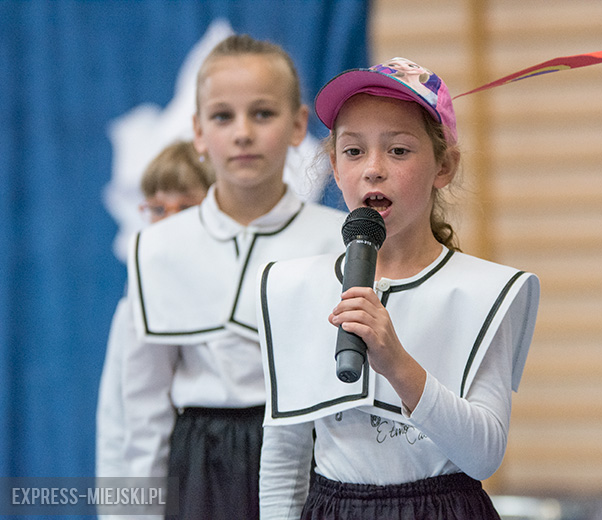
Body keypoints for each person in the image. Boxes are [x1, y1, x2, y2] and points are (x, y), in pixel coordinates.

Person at [257, 58, 541, 519]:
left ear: (443, 166)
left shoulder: (484, 292)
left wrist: (398, 364)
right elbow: (284, 457)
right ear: (333, 164)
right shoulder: (294, 287)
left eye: (399, 151)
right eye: (353, 151)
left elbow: (485, 454)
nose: (373, 169)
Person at [119, 35, 346, 519]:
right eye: (223, 116)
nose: (243, 132)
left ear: (297, 125)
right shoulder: (157, 248)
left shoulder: (338, 242)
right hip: (197, 465)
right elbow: (142, 413)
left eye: (263, 114)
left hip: (313, 458)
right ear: (198, 132)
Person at [96, 140, 214, 483]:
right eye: (158, 209)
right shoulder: (136, 301)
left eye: (186, 207)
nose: (169, 223)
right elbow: (117, 424)